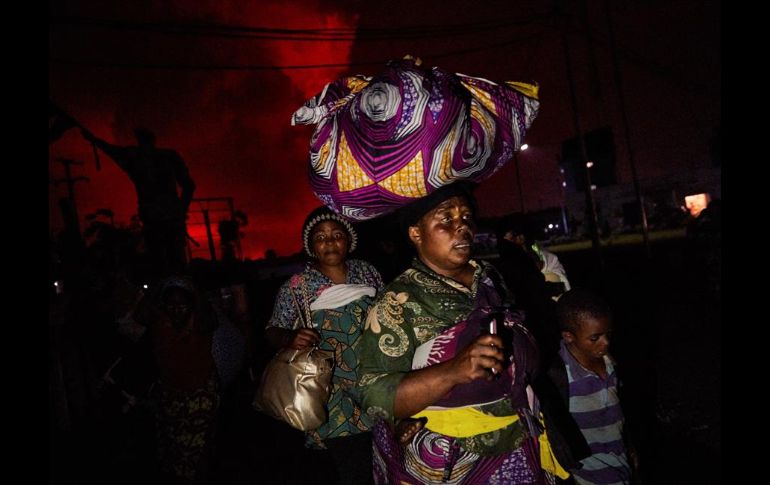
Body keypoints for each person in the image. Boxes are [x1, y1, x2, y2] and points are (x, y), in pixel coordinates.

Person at [358, 182, 561, 484]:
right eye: (446, 219)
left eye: (466, 217)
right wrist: (454, 370)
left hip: (519, 440)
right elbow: (372, 394)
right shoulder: (398, 302)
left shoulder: (489, 276)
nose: (462, 227)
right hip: (451, 461)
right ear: (416, 233)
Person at [264, 206, 384, 485]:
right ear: (311, 246)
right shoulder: (298, 285)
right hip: (332, 391)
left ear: (349, 240)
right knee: (352, 469)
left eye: (337, 235)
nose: (330, 242)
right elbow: (272, 330)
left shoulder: (367, 272)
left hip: (375, 382)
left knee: (382, 463)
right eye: (320, 237)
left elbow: (390, 315)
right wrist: (289, 338)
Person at [546, 289, 637, 484]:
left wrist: (629, 446)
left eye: (608, 334)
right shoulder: (559, 376)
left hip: (622, 467)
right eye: (595, 338)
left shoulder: (611, 363)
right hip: (586, 477)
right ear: (569, 336)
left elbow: (620, 413)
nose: (606, 343)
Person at [81, 127, 195, 276]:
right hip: (164, 219)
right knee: (172, 263)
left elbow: (113, 151)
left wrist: (94, 140)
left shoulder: (138, 158)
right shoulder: (165, 157)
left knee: (164, 264)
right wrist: (180, 209)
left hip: (157, 219)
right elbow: (189, 186)